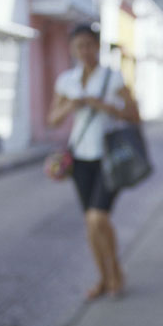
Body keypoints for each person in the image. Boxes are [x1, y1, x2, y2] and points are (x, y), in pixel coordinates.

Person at [47, 23, 140, 300]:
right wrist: (72, 105)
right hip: (80, 159)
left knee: (97, 217)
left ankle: (116, 273)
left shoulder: (113, 78)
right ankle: (104, 277)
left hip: (110, 158)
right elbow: (53, 119)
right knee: (92, 224)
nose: (85, 51)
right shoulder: (67, 81)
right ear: (72, 50)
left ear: (97, 46)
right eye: (79, 46)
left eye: (89, 45)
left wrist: (104, 106)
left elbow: (135, 115)